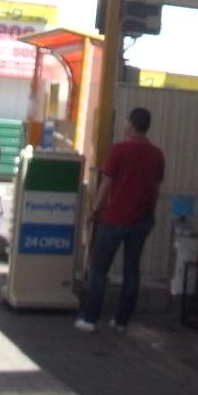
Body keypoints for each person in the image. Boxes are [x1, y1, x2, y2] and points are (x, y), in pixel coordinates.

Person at [75, 107, 165, 333]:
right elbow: (155, 189)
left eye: (126, 121)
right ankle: (122, 321)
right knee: (131, 271)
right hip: (141, 220)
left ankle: (91, 318)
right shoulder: (157, 155)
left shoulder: (119, 150)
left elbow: (106, 184)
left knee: (99, 269)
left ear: (132, 124)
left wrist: (94, 209)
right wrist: (149, 214)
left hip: (115, 218)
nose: (124, 124)